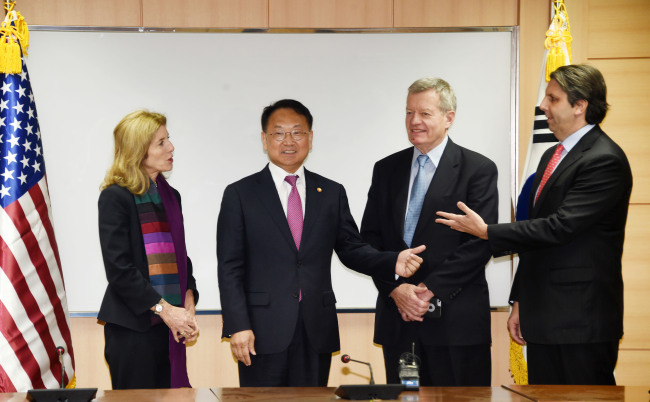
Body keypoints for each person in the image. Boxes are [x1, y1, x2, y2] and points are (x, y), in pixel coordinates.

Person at [436, 64, 632, 385]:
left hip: (580, 321)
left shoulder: (603, 159)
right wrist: (520, 301)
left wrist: (486, 231)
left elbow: (559, 227)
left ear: (580, 106)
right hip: (545, 318)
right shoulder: (552, 155)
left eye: (552, 99)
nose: (542, 105)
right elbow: (535, 235)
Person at [217, 99, 426, 387]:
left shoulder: (330, 192)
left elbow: (352, 249)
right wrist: (238, 325)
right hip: (261, 332)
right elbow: (230, 267)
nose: (288, 141)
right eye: (279, 133)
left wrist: (392, 261)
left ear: (310, 138)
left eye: (297, 132)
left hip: (316, 328)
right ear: (264, 140)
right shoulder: (240, 194)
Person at [360, 78, 499, 386]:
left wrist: (425, 292)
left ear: (449, 118)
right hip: (398, 318)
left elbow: (479, 245)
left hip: (455, 322)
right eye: (409, 112)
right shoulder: (386, 170)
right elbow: (369, 241)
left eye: (424, 113)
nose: (414, 121)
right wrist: (396, 289)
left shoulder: (477, 169)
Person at [97, 110, 200, 389]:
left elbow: (179, 255)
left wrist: (188, 298)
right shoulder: (115, 197)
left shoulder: (170, 195)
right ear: (138, 151)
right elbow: (119, 269)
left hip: (168, 328)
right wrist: (164, 309)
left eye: (169, 139)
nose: (171, 148)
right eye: (161, 143)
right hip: (133, 330)